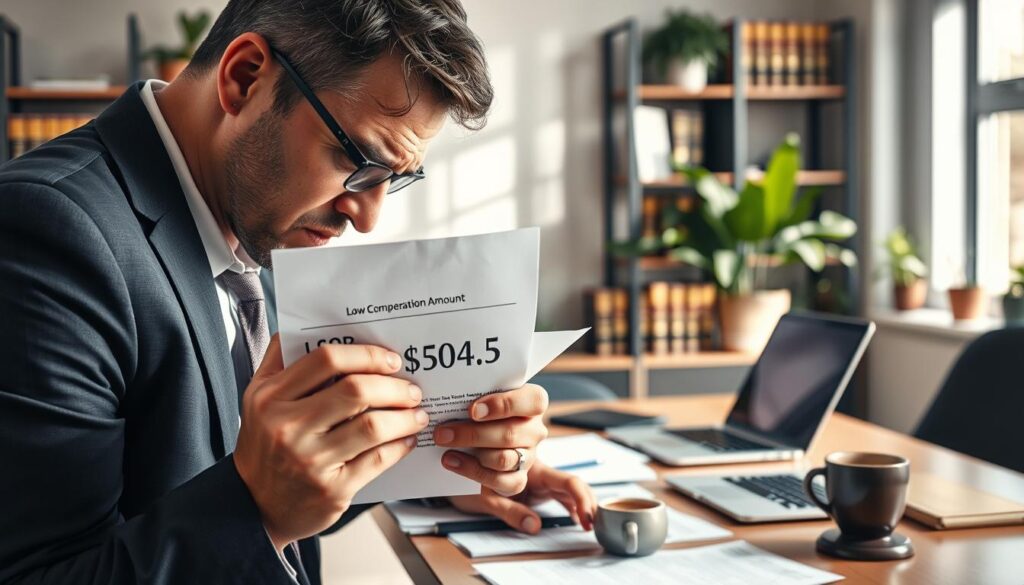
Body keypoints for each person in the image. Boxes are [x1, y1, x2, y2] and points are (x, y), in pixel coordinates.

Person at [0, 1, 594, 583]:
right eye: (355, 159)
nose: (366, 217)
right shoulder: (45, 233)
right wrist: (257, 506)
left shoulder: (252, 219)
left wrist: (446, 469)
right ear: (245, 77)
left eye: (395, 179)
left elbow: (264, 475)